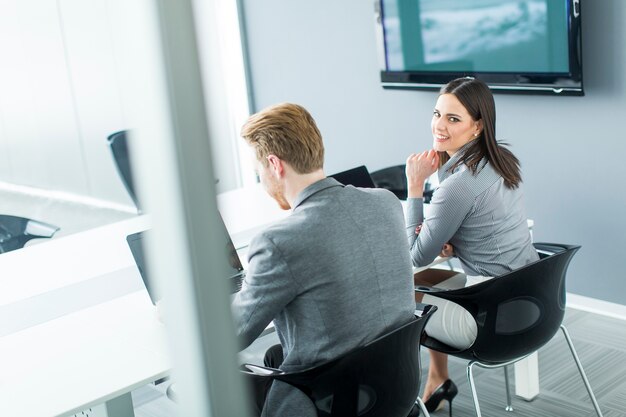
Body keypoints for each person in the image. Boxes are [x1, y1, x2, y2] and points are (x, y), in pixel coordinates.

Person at [232, 102, 416, 417]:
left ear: (275, 165)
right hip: (394, 387)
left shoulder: (278, 241)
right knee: (278, 353)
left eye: (259, 170)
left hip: (330, 403)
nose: (262, 180)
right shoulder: (386, 203)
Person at [404, 77, 539, 415]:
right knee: (432, 279)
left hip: (493, 318)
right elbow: (483, 225)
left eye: (453, 119)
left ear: (477, 126)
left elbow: (414, 256)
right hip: (534, 299)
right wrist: (455, 242)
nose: (439, 126)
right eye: (437, 114)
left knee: (404, 294)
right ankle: (438, 377)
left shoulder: (458, 185)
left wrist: (415, 186)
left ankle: (424, 384)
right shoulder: (503, 160)